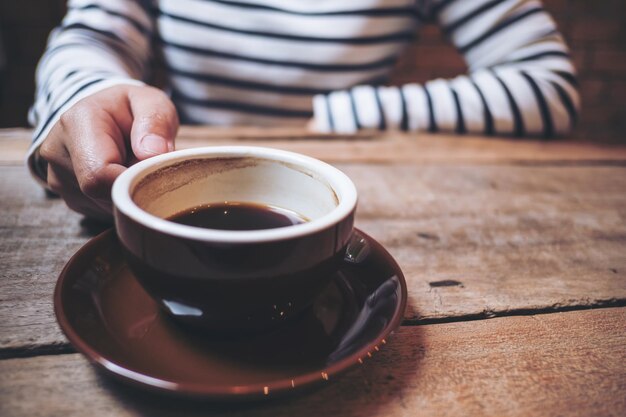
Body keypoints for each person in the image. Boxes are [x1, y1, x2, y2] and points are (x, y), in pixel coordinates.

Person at [28, 0, 580, 220]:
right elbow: (90, 39)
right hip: (169, 180)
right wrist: (85, 96)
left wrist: (350, 114)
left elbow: (546, 86)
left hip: (359, 192)